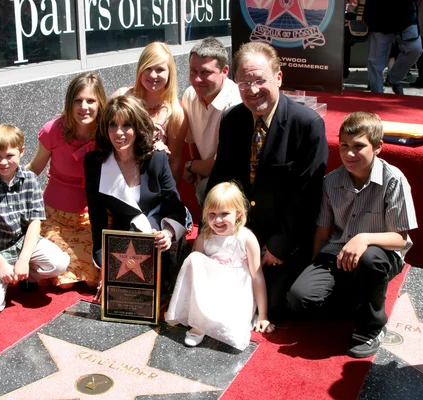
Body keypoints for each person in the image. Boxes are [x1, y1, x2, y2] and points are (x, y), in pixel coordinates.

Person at [206, 42, 328, 321]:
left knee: (276, 305)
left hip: (282, 236)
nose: (252, 90)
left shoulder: (307, 125)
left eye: (260, 80)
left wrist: (279, 245)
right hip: (237, 230)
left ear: (279, 78)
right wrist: (211, 226)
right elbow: (221, 175)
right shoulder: (232, 119)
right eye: (244, 82)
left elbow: (306, 195)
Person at [287, 112, 418, 358]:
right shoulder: (331, 182)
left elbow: (401, 238)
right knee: (299, 299)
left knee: (370, 260)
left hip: (379, 255)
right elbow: (323, 231)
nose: (349, 154)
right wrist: (313, 268)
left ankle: (371, 326)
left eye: (359, 147)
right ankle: (355, 299)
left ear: (378, 147)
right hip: (337, 252)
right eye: (344, 146)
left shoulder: (393, 181)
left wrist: (364, 238)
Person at [0, 124, 70, 314]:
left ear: (21, 152)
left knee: (59, 263)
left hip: (23, 243)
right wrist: (1, 264)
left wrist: (24, 259)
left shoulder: (29, 179)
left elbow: (34, 222)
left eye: (9, 156)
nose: (3, 162)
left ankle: (24, 276)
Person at [84, 96, 187, 278]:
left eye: (126, 125)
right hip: (122, 234)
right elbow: (97, 216)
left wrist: (168, 232)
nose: (118, 133)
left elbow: (174, 206)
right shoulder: (94, 163)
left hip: (156, 229)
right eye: (112, 125)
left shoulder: (157, 158)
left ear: (138, 127)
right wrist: (103, 260)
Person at [165, 182, 274, 350]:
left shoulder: (246, 238)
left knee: (229, 325)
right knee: (194, 259)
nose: (218, 220)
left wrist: (263, 315)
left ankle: (220, 319)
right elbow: (197, 274)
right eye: (212, 214)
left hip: (235, 292)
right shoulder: (204, 237)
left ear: (238, 214)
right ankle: (199, 322)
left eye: (225, 214)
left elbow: (257, 277)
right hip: (210, 290)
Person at [26, 72, 107, 289]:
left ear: (100, 103)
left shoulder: (107, 133)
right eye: (78, 101)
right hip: (55, 218)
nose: (84, 107)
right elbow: (34, 168)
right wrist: (3, 181)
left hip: (92, 220)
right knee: (65, 284)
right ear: (69, 103)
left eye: (91, 101)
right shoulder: (53, 130)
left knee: (92, 281)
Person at [114, 42, 186, 183]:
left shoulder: (175, 113)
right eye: (148, 68)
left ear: (169, 72)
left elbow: (174, 162)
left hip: (151, 188)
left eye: (160, 69)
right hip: (117, 182)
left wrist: (170, 200)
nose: (153, 75)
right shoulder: (121, 97)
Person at [182, 37, 242, 206]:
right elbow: (192, 140)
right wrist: (198, 170)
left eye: (205, 72)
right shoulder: (189, 95)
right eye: (193, 71)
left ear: (225, 71)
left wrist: (191, 166)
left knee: (205, 189)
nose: (197, 80)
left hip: (233, 179)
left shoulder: (236, 103)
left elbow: (220, 165)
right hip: (210, 173)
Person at [362, 0, 423, 94]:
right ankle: (377, 95)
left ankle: (393, 78)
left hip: (406, 16)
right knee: (375, 61)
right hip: (379, 16)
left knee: (415, 48)